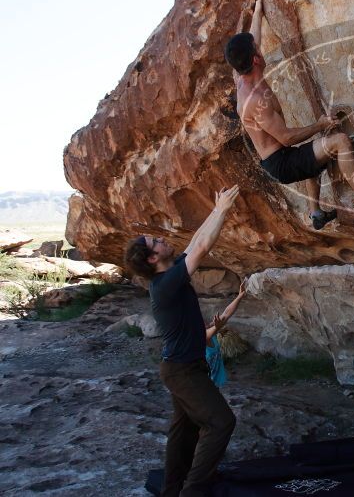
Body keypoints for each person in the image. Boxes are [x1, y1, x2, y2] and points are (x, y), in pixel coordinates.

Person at [224, 0, 354, 230]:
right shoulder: (254, 100)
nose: (259, 46)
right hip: (281, 163)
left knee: (313, 156)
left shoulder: (241, 74)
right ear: (256, 59)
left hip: (280, 157)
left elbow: (252, 38)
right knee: (339, 142)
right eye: (258, 48)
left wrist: (258, 9)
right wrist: (321, 124)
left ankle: (316, 214)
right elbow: (286, 138)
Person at [124, 185, 240, 497]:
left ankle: (172, 490)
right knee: (221, 423)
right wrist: (223, 210)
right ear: (152, 258)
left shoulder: (169, 273)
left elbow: (193, 243)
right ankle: (192, 492)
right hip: (183, 371)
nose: (162, 239)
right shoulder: (164, 285)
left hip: (181, 368)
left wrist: (215, 208)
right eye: (156, 242)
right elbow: (201, 248)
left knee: (184, 430)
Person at [204, 278, 247, 388]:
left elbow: (226, 314)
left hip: (214, 383)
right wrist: (217, 327)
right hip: (203, 386)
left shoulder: (210, 331)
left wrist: (240, 296)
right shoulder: (201, 336)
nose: (206, 323)